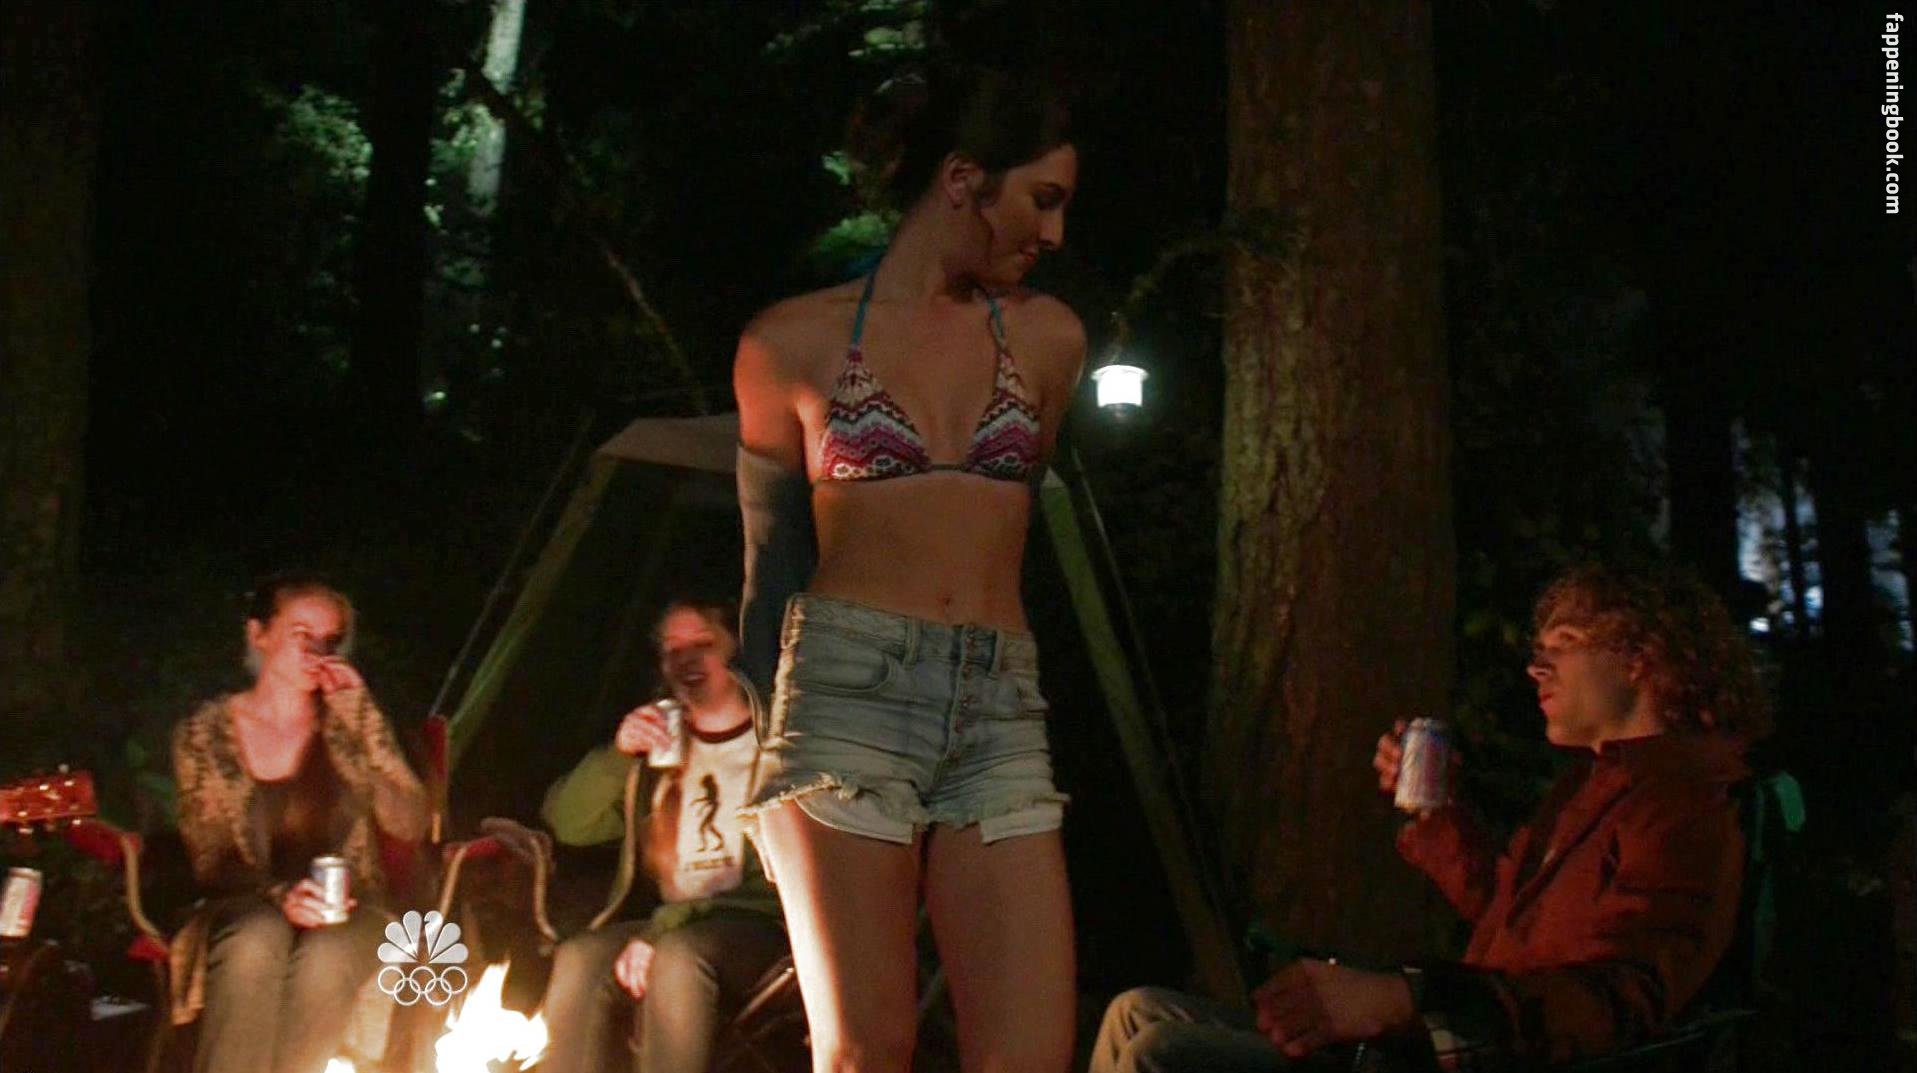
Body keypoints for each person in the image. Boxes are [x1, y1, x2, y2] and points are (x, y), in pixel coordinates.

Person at [732, 63, 1087, 1073]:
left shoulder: (1050, 340)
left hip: (999, 698)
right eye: (1042, 199)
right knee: (864, 1050)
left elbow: (1012, 522)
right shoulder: (789, 342)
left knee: (1030, 1055)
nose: (1055, 233)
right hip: (848, 690)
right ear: (964, 179)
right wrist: (764, 746)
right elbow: (769, 563)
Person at [1093, 562, 1768, 1072]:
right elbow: (1505, 915)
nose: (1536, 668)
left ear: (1638, 659)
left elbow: (1620, 999)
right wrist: (1436, 812)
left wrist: (1408, 999)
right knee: (1136, 1011)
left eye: (1563, 643)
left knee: (1163, 1051)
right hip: (1446, 1034)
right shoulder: (1590, 787)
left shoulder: (1685, 802)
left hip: (1484, 1051)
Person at [171, 574, 428, 1073]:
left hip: (351, 907)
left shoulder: (348, 727)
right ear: (259, 634)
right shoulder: (204, 733)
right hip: (243, 900)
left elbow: (409, 822)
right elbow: (210, 855)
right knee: (255, 940)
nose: (316, 652)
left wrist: (364, 717)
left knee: (327, 957)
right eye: (301, 634)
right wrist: (279, 894)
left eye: (330, 640)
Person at [539, 599, 788, 1073]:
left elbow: (774, 887)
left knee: (677, 957)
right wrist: (618, 756)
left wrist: (662, 930)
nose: (686, 659)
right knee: (579, 957)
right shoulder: (662, 753)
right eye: (673, 649)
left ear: (736, 650)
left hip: (762, 927)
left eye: (702, 644)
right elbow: (569, 823)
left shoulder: (775, 748)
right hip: (674, 924)